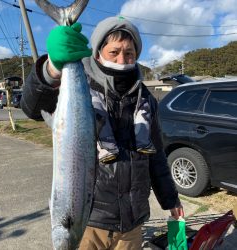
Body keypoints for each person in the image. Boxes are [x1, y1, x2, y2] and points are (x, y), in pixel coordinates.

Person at [21, 16, 184, 250]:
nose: (122, 59)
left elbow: (155, 156)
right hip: (87, 220)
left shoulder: (145, 99)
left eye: (129, 53)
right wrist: (52, 69)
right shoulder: (81, 86)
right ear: (97, 54)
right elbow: (32, 108)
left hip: (132, 223)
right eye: (114, 52)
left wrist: (170, 199)